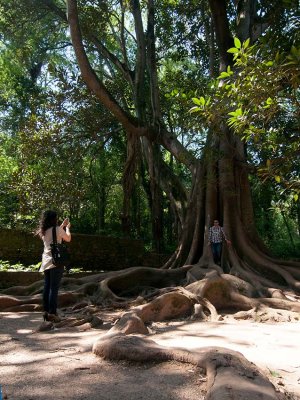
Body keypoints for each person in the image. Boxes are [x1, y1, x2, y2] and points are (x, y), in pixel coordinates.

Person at [36, 210, 71, 322]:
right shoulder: (57, 229)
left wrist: (62, 226)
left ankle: (46, 311)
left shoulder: (44, 231)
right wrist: (68, 228)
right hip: (56, 261)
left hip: (46, 261)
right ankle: (53, 312)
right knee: (54, 288)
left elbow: (55, 234)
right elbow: (68, 239)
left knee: (47, 287)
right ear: (54, 219)